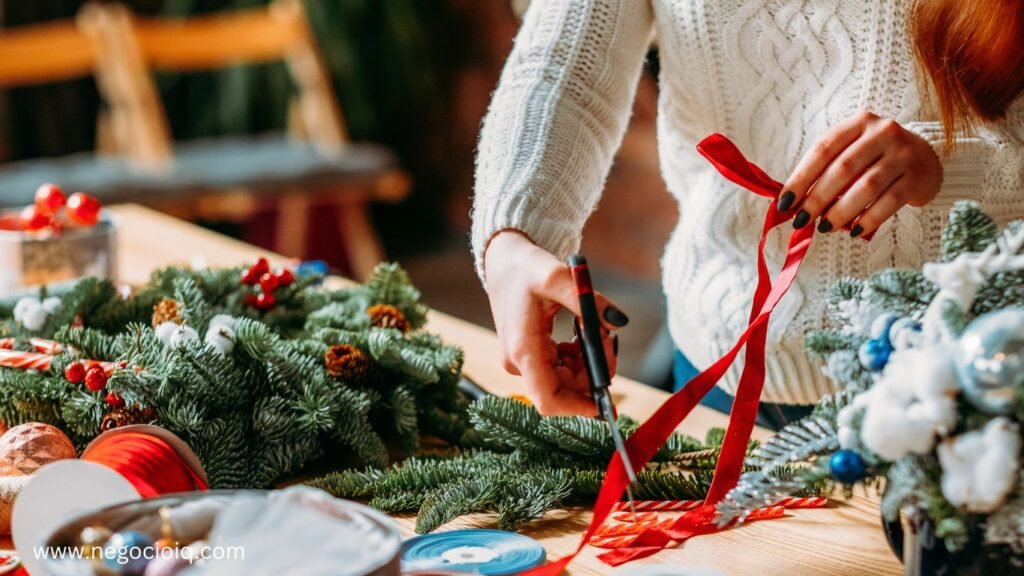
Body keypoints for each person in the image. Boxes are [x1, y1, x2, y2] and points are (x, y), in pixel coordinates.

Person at [472, 0, 1024, 424]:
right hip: (718, 362)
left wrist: (950, 166)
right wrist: (516, 236)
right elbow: (563, 68)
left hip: (968, 375)